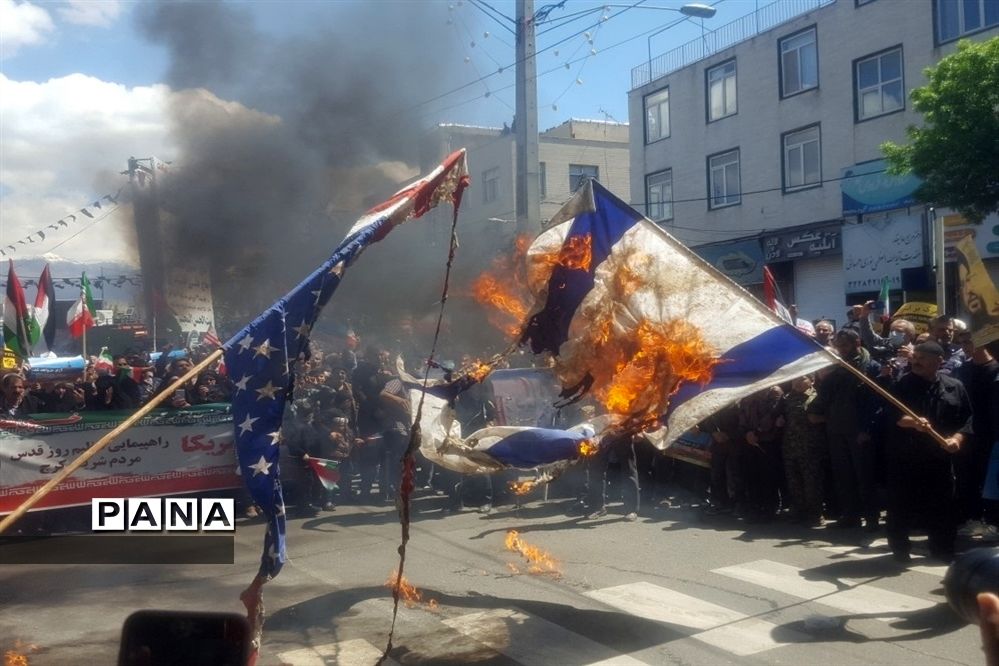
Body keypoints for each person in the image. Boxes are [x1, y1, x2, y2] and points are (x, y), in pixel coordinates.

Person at [885, 341, 972, 563]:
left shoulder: (954, 386)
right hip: (907, 456)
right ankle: (900, 549)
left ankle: (942, 548)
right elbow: (891, 417)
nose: (916, 361)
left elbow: (967, 420)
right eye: (915, 357)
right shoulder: (902, 384)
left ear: (939, 361)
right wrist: (911, 422)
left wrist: (956, 439)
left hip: (940, 456)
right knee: (901, 505)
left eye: (923, 357)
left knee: (942, 505)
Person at [808, 328, 882, 531]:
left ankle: (872, 517)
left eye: (845, 345)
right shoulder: (837, 368)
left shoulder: (871, 366)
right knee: (843, 475)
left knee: (864, 476)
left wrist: (866, 428)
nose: (841, 349)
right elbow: (825, 395)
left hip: (859, 430)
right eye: (838, 346)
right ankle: (851, 515)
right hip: (837, 428)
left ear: (857, 343)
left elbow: (875, 402)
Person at [780, 375, 826, 526]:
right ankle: (799, 511)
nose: (797, 382)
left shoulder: (817, 396)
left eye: (803, 379)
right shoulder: (787, 398)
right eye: (795, 379)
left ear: (812, 381)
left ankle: (815, 514)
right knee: (794, 482)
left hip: (810, 446)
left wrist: (818, 418)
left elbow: (829, 415)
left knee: (812, 482)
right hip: (790, 446)